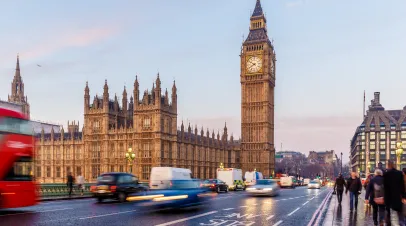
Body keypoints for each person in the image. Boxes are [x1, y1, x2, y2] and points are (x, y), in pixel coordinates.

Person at [383, 160, 405, 226]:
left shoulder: (386, 174)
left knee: (390, 214)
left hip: (389, 198)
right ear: (394, 164)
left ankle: (390, 223)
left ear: (388, 165)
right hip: (397, 197)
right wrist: (403, 196)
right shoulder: (399, 173)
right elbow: (402, 186)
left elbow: (385, 188)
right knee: (400, 215)